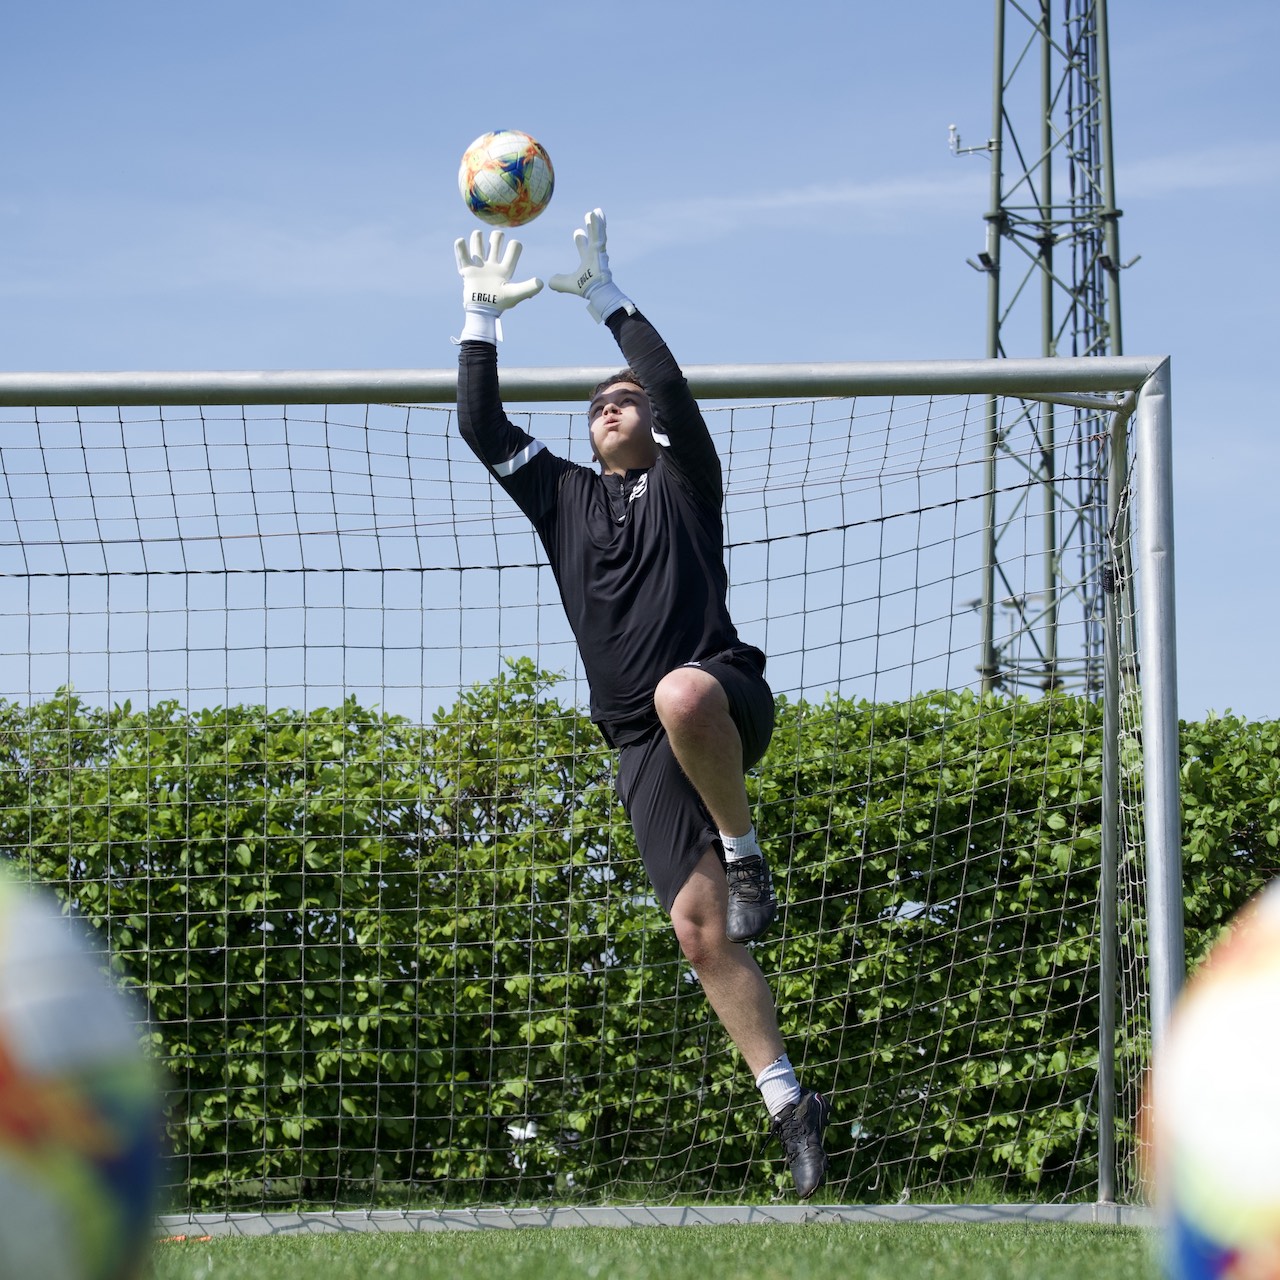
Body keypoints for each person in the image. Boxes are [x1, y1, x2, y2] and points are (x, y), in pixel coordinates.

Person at [452, 209, 830, 1198]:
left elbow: (665, 385)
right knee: (699, 930)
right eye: (598, 404)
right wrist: (478, 319)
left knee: (680, 687)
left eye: (625, 400)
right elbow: (480, 426)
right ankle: (788, 1100)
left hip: (719, 693)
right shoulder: (563, 498)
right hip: (636, 743)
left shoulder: (685, 482)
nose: (612, 406)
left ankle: (746, 851)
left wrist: (607, 299)